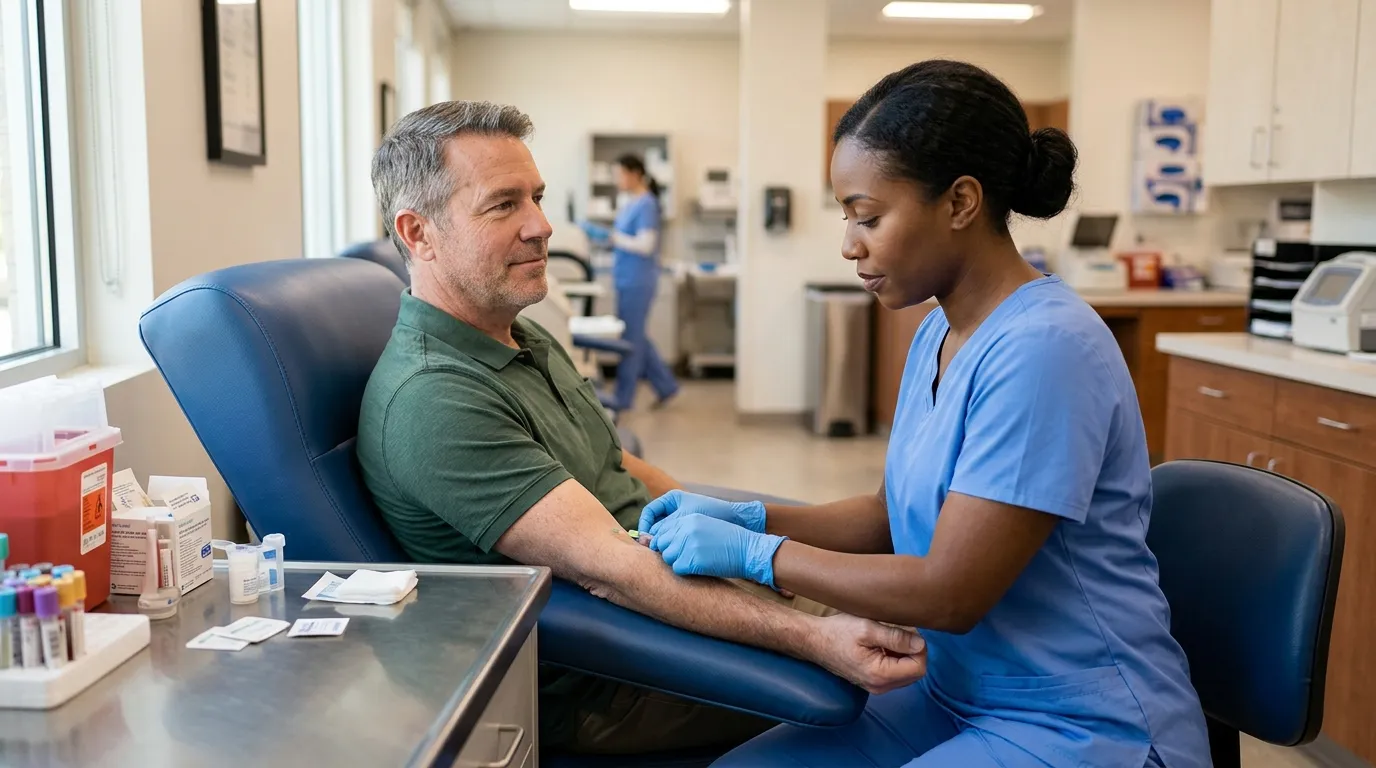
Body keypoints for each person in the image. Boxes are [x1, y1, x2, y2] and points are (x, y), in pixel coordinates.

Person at [639, 61, 1211, 767]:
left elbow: (949, 591)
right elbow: (888, 517)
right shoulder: (941, 331)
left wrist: (762, 558)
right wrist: (747, 515)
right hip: (953, 691)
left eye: (868, 216)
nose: (850, 244)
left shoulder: (1045, 350)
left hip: (1079, 720)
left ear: (961, 202)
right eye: (846, 216)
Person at [357, 100, 927, 756]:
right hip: (618, 677)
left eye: (537, 197)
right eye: (503, 205)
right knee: (921, 667)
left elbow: (624, 471)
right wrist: (816, 638)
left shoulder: (520, 336)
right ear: (418, 232)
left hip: (674, 593)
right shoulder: (435, 399)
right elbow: (613, 573)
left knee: (924, 615)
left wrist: (742, 545)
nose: (542, 226)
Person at [580, 155, 680, 411]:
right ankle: (666, 385)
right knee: (636, 336)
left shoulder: (647, 204)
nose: (616, 180)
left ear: (635, 174)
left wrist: (612, 237)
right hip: (627, 278)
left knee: (631, 340)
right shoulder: (631, 203)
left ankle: (623, 400)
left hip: (639, 280)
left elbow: (645, 246)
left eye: (620, 174)